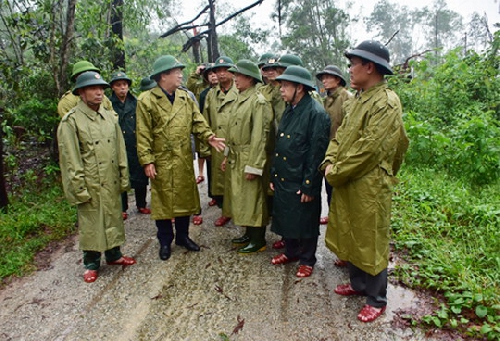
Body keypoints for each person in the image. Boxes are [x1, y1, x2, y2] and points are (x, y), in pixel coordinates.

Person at [320, 40, 409, 322]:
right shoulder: (357, 99)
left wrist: (335, 171)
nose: (350, 70)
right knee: (350, 230)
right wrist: (330, 160)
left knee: (371, 236)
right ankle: (358, 284)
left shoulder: (386, 102)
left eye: (353, 65)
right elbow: (341, 136)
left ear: (369, 67)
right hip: (348, 178)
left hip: (368, 182)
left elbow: (370, 149)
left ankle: (377, 297)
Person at [136, 55, 225, 261]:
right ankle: (165, 240)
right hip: (161, 159)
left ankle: (183, 236)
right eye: (176, 71)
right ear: (163, 75)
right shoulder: (147, 100)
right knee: (163, 199)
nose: (180, 75)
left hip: (183, 156)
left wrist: (208, 136)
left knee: (185, 197)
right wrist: (147, 160)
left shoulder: (185, 97)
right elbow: (143, 134)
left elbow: (197, 120)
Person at [57, 71, 136, 283]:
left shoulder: (109, 116)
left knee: (112, 214)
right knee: (91, 220)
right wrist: (78, 187)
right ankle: (91, 262)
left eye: (101, 88)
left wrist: (123, 175)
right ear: (81, 93)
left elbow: (119, 148)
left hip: (109, 177)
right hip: (89, 179)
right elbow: (70, 158)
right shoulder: (71, 121)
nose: (99, 92)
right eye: (93, 88)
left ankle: (114, 254)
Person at [269, 66, 330, 278]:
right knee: (287, 215)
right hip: (287, 173)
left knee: (306, 219)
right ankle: (291, 251)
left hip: (302, 175)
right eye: (281, 85)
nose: (281, 90)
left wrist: (310, 184)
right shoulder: (291, 108)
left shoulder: (316, 113)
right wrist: (274, 173)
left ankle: (307, 259)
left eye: (286, 86)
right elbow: (280, 143)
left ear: (300, 88)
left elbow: (317, 153)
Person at [222, 60, 273, 254]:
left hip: (249, 155)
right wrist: (227, 155)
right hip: (237, 155)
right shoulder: (240, 98)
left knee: (253, 198)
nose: (235, 79)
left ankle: (258, 239)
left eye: (239, 75)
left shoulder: (258, 101)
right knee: (241, 198)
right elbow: (231, 129)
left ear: (250, 78)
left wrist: (254, 166)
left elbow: (260, 137)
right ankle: (249, 233)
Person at [315, 65, 353, 241]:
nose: (324, 80)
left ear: (337, 80)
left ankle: (340, 226)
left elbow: (349, 128)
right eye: (323, 77)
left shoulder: (346, 98)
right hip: (326, 151)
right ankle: (331, 215)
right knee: (328, 189)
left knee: (337, 192)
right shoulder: (328, 99)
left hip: (339, 153)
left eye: (328, 77)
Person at [201, 56, 238, 227]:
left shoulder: (240, 91)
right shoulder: (211, 94)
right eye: (218, 71)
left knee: (237, 181)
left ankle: (240, 213)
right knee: (220, 181)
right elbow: (205, 120)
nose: (221, 74)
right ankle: (225, 211)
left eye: (225, 70)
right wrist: (206, 146)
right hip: (218, 144)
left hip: (236, 143)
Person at [109, 71, 150, 220]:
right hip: (118, 144)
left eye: (124, 85)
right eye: (118, 85)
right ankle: (122, 207)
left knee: (139, 174)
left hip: (134, 143)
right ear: (113, 87)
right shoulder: (108, 104)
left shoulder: (135, 102)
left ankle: (141, 204)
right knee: (120, 175)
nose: (122, 88)